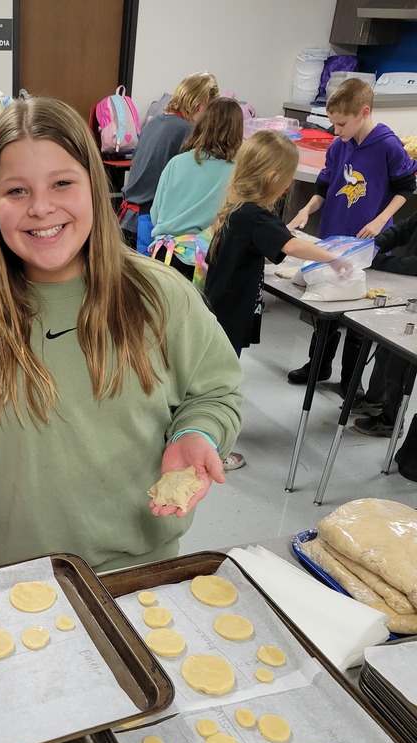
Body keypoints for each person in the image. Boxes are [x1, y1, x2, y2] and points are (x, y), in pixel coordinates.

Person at [0, 95, 243, 576]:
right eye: (16, 191)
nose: (41, 207)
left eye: (62, 183)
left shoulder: (162, 297)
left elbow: (216, 391)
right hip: (26, 578)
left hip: (149, 566)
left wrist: (197, 432)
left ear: (94, 186)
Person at [204, 130, 345, 470]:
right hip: (229, 318)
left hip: (218, 312)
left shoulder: (236, 208)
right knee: (220, 389)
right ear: (272, 178)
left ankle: (207, 443)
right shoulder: (256, 216)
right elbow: (292, 245)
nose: (289, 185)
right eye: (288, 179)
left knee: (213, 381)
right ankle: (213, 452)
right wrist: (334, 258)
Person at [286, 77, 417, 390]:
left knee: (358, 310)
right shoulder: (338, 146)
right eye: (333, 123)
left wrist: (381, 219)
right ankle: (318, 365)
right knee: (325, 306)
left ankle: (350, 381)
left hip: (365, 242)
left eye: (342, 124)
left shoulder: (388, 145)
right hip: (332, 238)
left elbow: (405, 187)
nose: (336, 131)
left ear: (364, 112)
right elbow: (323, 188)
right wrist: (306, 209)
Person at [118, 72, 219, 253]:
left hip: (127, 219)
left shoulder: (155, 122)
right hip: (148, 223)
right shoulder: (188, 131)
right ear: (202, 104)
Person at [149, 96, 243, 279]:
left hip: (163, 257)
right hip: (198, 262)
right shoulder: (235, 173)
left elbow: (156, 214)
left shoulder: (176, 162)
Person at [347, 210, 417, 440]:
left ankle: (391, 420)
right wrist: (374, 245)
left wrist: (376, 261)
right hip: (409, 291)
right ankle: (375, 399)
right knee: (386, 346)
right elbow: (403, 229)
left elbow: (414, 265)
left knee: (400, 361)